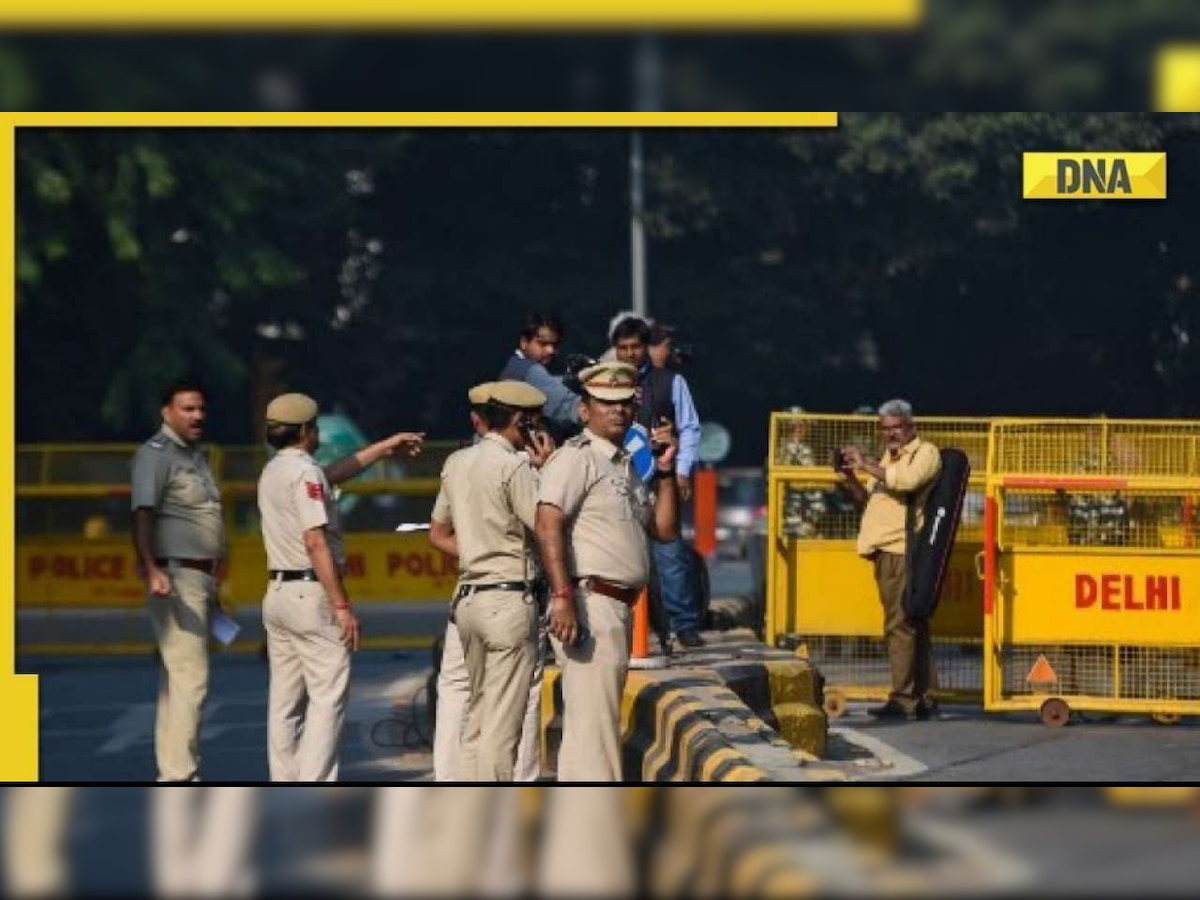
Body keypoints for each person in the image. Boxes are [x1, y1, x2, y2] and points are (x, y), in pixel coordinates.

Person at [257, 392, 423, 781]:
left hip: (277, 594)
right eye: (314, 428)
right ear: (304, 431)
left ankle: (284, 781)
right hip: (310, 595)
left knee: (285, 702)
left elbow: (332, 474)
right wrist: (342, 606)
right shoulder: (304, 473)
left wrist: (383, 448)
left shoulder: (275, 471)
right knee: (327, 697)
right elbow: (316, 542)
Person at [535, 361, 680, 780]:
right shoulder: (575, 459)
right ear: (584, 411)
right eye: (605, 403)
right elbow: (548, 522)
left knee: (595, 727)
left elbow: (665, 530)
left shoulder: (624, 464)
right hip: (589, 602)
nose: (617, 411)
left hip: (615, 608)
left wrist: (666, 469)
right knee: (593, 731)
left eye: (624, 403)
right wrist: (562, 597)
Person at [429, 380, 554, 781]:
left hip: (468, 600)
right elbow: (544, 527)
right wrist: (546, 471)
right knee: (503, 730)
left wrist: (478, 553)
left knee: (478, 721)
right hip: (508, 601)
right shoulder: (514, 467)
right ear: (519, 421)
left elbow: (439, 531)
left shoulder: (457, 462)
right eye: (531, 422)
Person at [130, 378, 225, 783]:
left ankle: (173, 772)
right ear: (166, 412)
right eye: (187, 408)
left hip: (199, 577)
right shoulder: (156, 454)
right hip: (175, 574)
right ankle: (181, 775)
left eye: (201, 408)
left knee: (179, 679)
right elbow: (142, 514)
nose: (197, 416)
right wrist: (151, 568)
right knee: (191, 677)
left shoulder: (195, 456)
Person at [838, 399, 942, 720]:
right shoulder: (889, 457)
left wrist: (865, 462)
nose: (890, 435)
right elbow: (870, 498)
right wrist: (850, 478)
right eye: (885, 429)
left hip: (901, 551)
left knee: (899, 626)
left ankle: (902, 699)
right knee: (911, 625)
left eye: (896, 428)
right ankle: (925, 697)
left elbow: (906, 482)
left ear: (911, 426)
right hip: (885, 551)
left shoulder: (925, 453)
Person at [611, 315, 705, 648]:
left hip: (661, 479)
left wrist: (681, 469)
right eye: (622, 348)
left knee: (669, 551)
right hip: (619, 481)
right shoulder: (605, 384)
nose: (629, 354)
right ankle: (633, 626)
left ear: (646, 348)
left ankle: (684, 625)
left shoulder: (670, 381)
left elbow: (690, 428)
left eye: (636, 347)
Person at [498, 312, 583, 441]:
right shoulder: (530, 370)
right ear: (524, 342)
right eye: (543, 344)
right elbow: (570, 408)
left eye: (555, 345)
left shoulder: (514, 365)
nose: (551, 350)